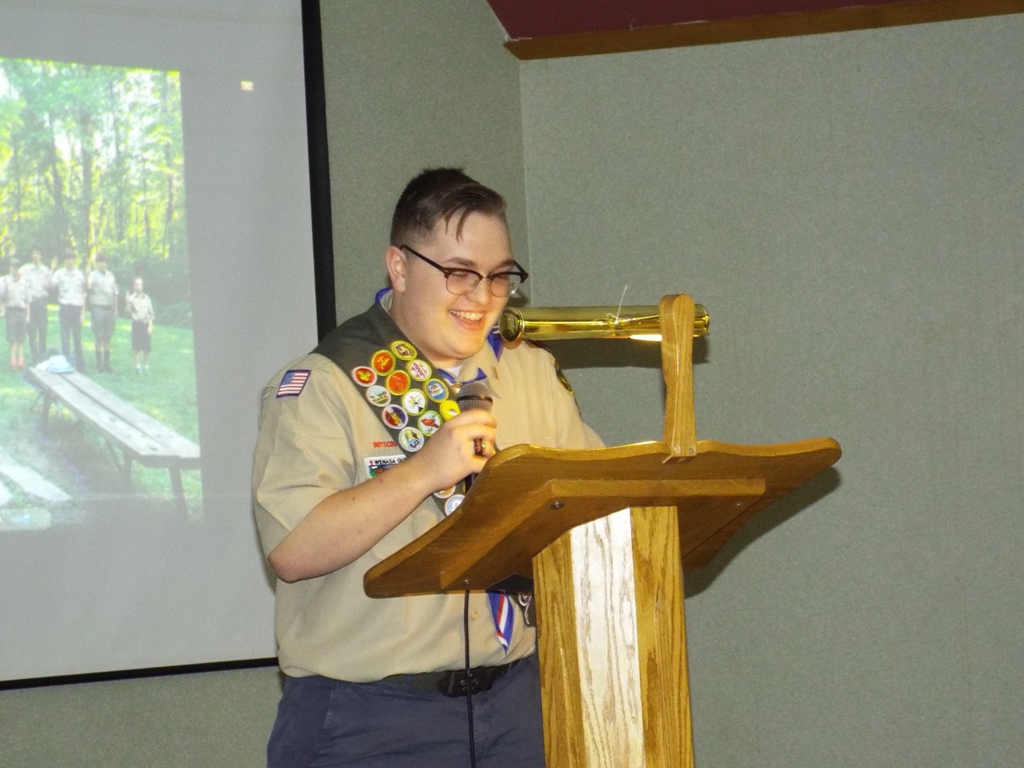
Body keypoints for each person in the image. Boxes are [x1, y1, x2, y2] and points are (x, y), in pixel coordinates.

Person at [252, 168, 602, 768]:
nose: (482, 297)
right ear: (399, 267)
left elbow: (594, 503)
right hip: (369, 717)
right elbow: (292, 550)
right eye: (459, 272)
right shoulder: (325, 384)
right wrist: (422, 472)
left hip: (516, 700)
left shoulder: (530, 372)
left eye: (499, 276)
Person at [52, 252, 86, 372]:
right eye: (67, 259)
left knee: (77, 338)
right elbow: (51, 286)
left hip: (76, 308)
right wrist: (52, 268)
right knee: (65, 337)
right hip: (65, 307)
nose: (69, 261)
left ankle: (80, 366)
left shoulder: (79, 274)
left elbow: (83, 293)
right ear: (65, 261)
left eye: (71, 259)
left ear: (75, 260)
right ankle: (65, 365)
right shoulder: (59, 274)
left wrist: (83, 312)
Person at [87, 254, 118, 372]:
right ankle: (99, 364)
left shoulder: (111, 276)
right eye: (99, 262)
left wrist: (115, 311)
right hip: (98, 308)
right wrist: (87, 273)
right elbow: (88, 287)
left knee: (107, 337)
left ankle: (107, 364)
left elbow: (115, 293)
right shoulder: (92, 275)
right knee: (99, 336)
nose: (102, 264)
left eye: (104, 262)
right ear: (96, 263)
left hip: (109, 309)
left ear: (106, 263)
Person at [20, 245, 51, 363]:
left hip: (42, 302)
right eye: (33, 253)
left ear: (41, 255)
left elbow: (50, 286)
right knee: (31, 331)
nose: (35, 256)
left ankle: (42, 356)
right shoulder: (25, 269)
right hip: (30, 302)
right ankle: (35, 357)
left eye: (37, 253)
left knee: (42, 329)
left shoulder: (46, 270)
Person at [1, 259, 31, 370]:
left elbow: (27, 300)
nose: (14, 269)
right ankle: (13, 361)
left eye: (16, 267)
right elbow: (2, 298)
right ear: (10, 268)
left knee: (21, 338)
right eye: (12, 267)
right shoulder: (5, 281)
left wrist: (28, 315)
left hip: (21, 311)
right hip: (11, 311)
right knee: (12, 338)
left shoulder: (24, 282)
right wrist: (2, 311)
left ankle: (21, 361)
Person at [125, 277, 155, 374]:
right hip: (136, 324)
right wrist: (127, 302)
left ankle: (146, 366)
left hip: (145, 324)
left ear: (142, 286)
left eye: (140, 284)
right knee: (136, 347)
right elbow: (127, 313)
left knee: (147, 347)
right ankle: (137, 366)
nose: (139, 286)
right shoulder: (131, 298)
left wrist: (150, 326)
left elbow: (151, 313)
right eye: (137, 284)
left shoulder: (146, 298)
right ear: (134, 286)